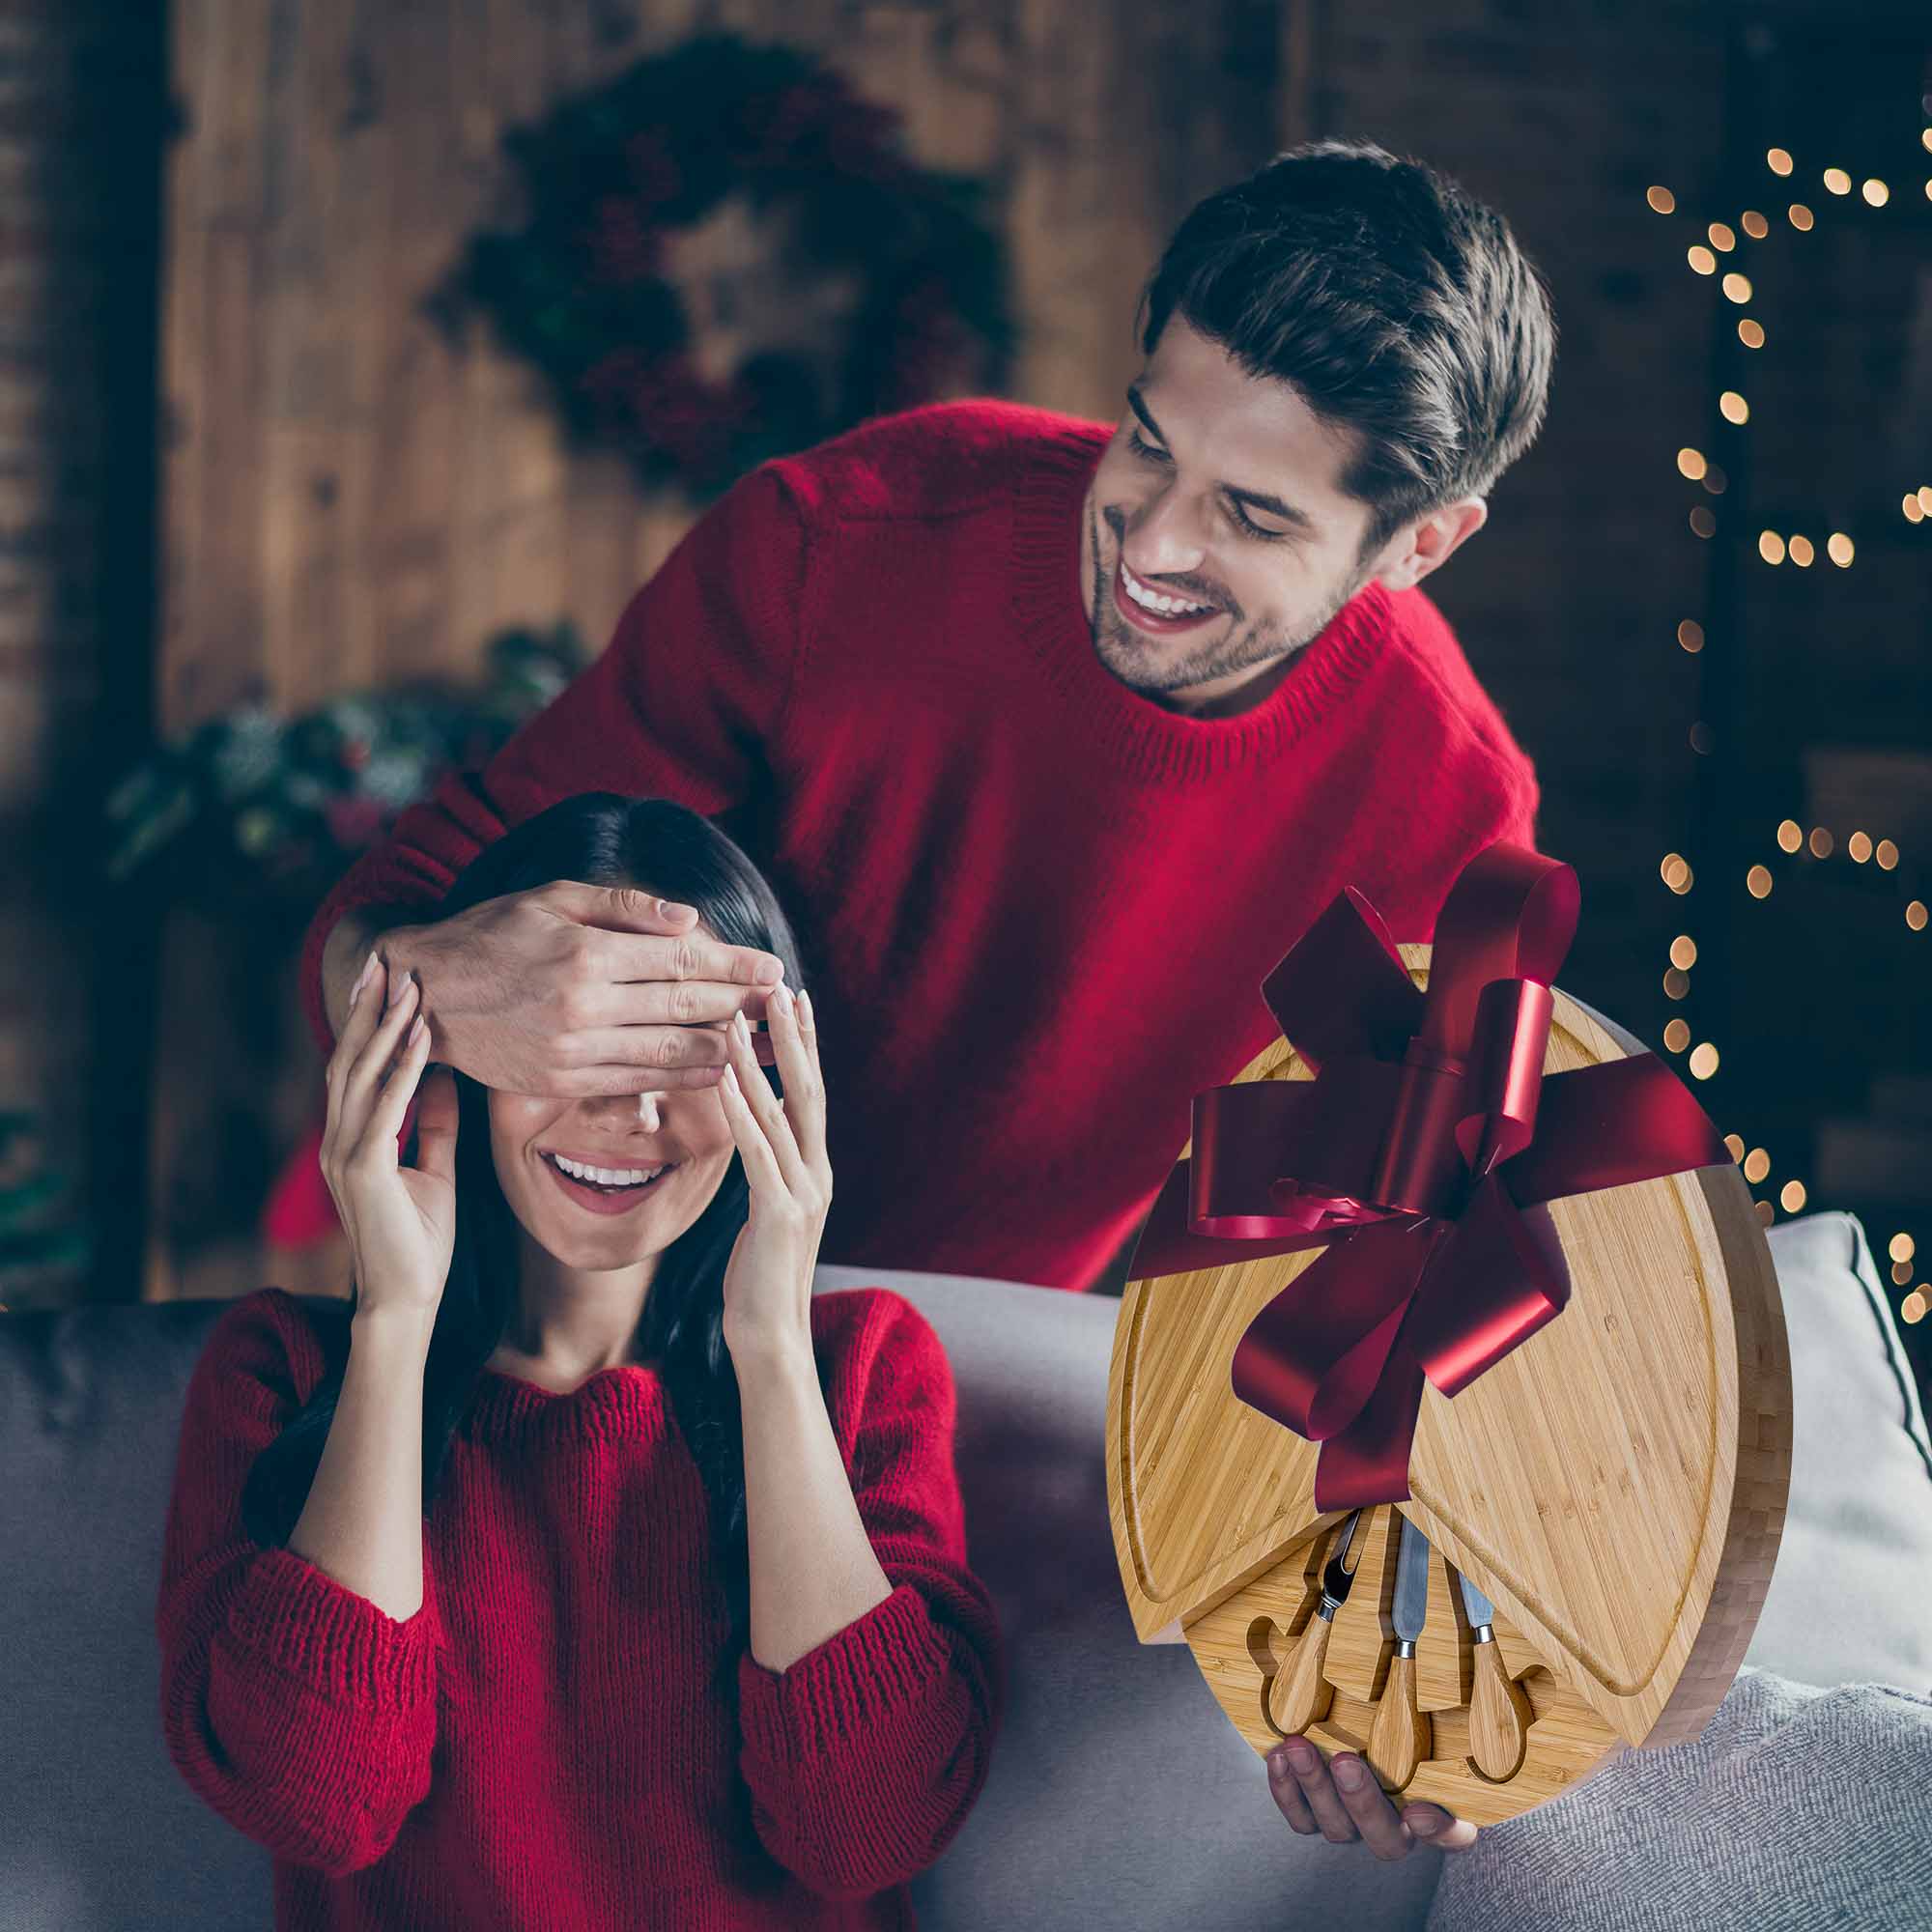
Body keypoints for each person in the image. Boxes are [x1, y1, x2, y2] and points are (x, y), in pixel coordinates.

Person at [298, 136, 1548, 1859]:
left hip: (940, 1391)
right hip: (582, 1333)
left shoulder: (1446, 814)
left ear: (1423, 542)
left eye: (1255, 515)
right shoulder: (849, 538)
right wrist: (427, 976)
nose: (1155, 545)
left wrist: (1398, 1649)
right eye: (1149, 444)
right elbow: (394, 908)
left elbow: (1381, 1292)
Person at [158, 793, 1005, 1932]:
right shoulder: (279, 1368)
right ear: (457, 1050)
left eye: (688, 1048)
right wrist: (397, 1323)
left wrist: (767, 1348)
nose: (633, 1108)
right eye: (584, 1042)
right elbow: (313, 1802)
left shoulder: (864, 1369)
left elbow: (870, 1830)